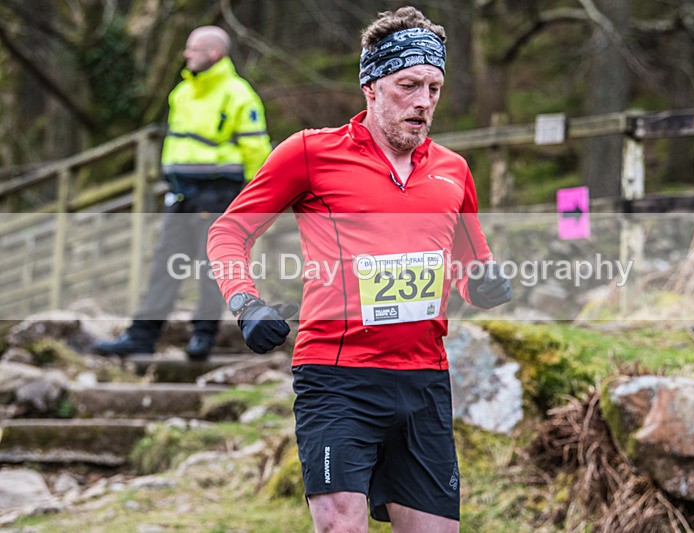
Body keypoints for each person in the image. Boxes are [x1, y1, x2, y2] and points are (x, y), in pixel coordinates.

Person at [207, 6, 512, 532]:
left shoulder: (454, 170)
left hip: (424, 379)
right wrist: (244, 300)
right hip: (338, 378)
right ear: (371, 86)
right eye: (408, 85)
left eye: (434, 88)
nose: (423, 102)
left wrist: (480, 284)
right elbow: (228, 231)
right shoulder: (309, 153)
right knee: (340, 525)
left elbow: (469, 264)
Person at [93, 25, 271, 359]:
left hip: (218, 195)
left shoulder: (238, 94)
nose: (186, 54)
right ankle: (142, 337)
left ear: (214, 53)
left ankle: (203, 337)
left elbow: (256, 149)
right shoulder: (182, 93)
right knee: (163, 266)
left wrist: (248, 198)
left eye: (192, 48)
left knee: (211, 270)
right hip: (180, 195)